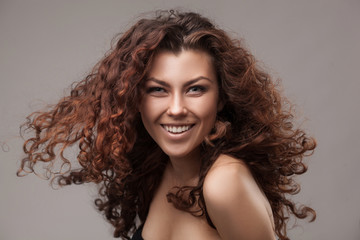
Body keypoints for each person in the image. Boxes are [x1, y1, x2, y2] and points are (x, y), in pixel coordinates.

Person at [18, 10, 316, 240]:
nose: (175, 109)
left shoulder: (223, 184)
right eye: (158, 89)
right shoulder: (155, 167)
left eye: (195, 89)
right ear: (135, 97)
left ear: (222, 98)